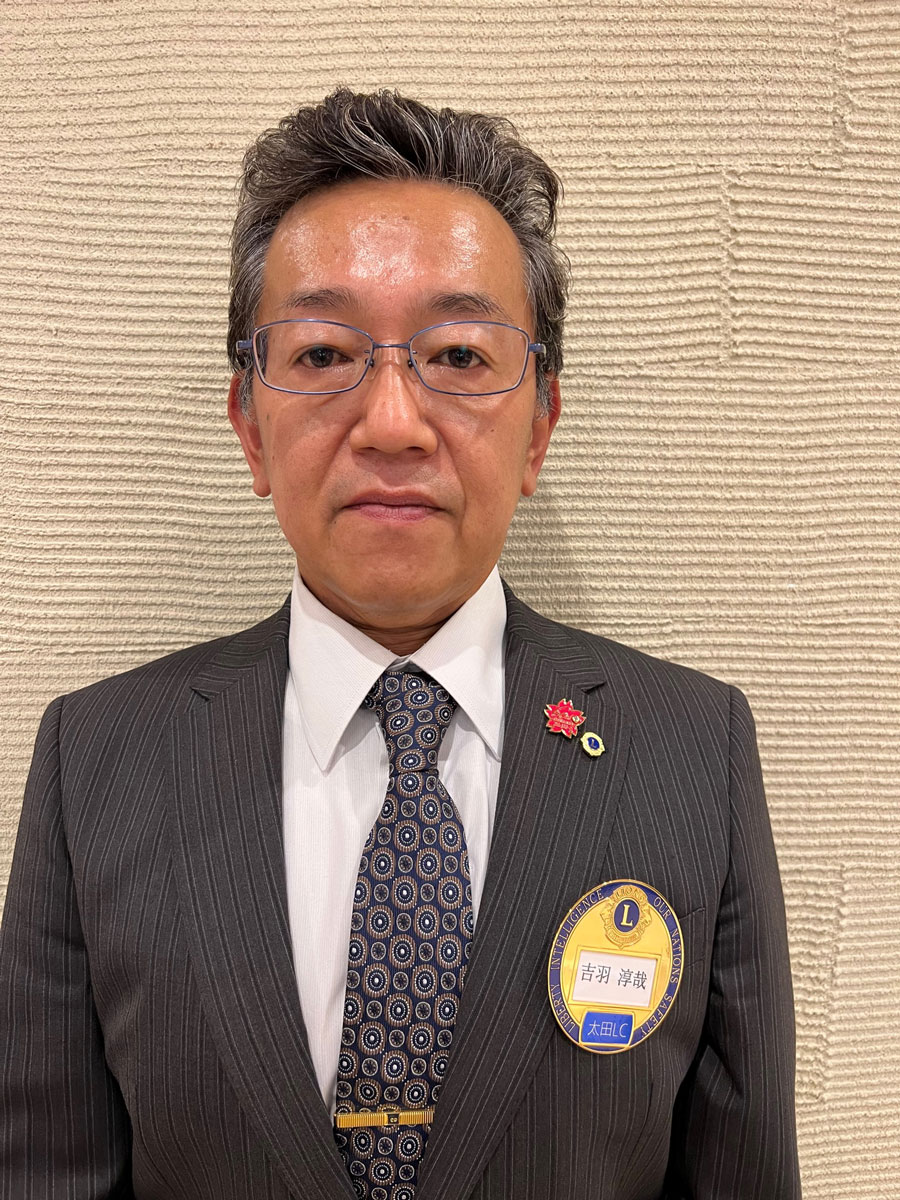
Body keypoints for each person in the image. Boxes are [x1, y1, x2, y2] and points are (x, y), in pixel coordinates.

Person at [0, 88, 801, 1200]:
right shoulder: (96, 763)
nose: (391, 422)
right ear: (249, 426)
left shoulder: (691, 753)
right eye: (325, 352)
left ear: (541, 425)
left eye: (460, 354)